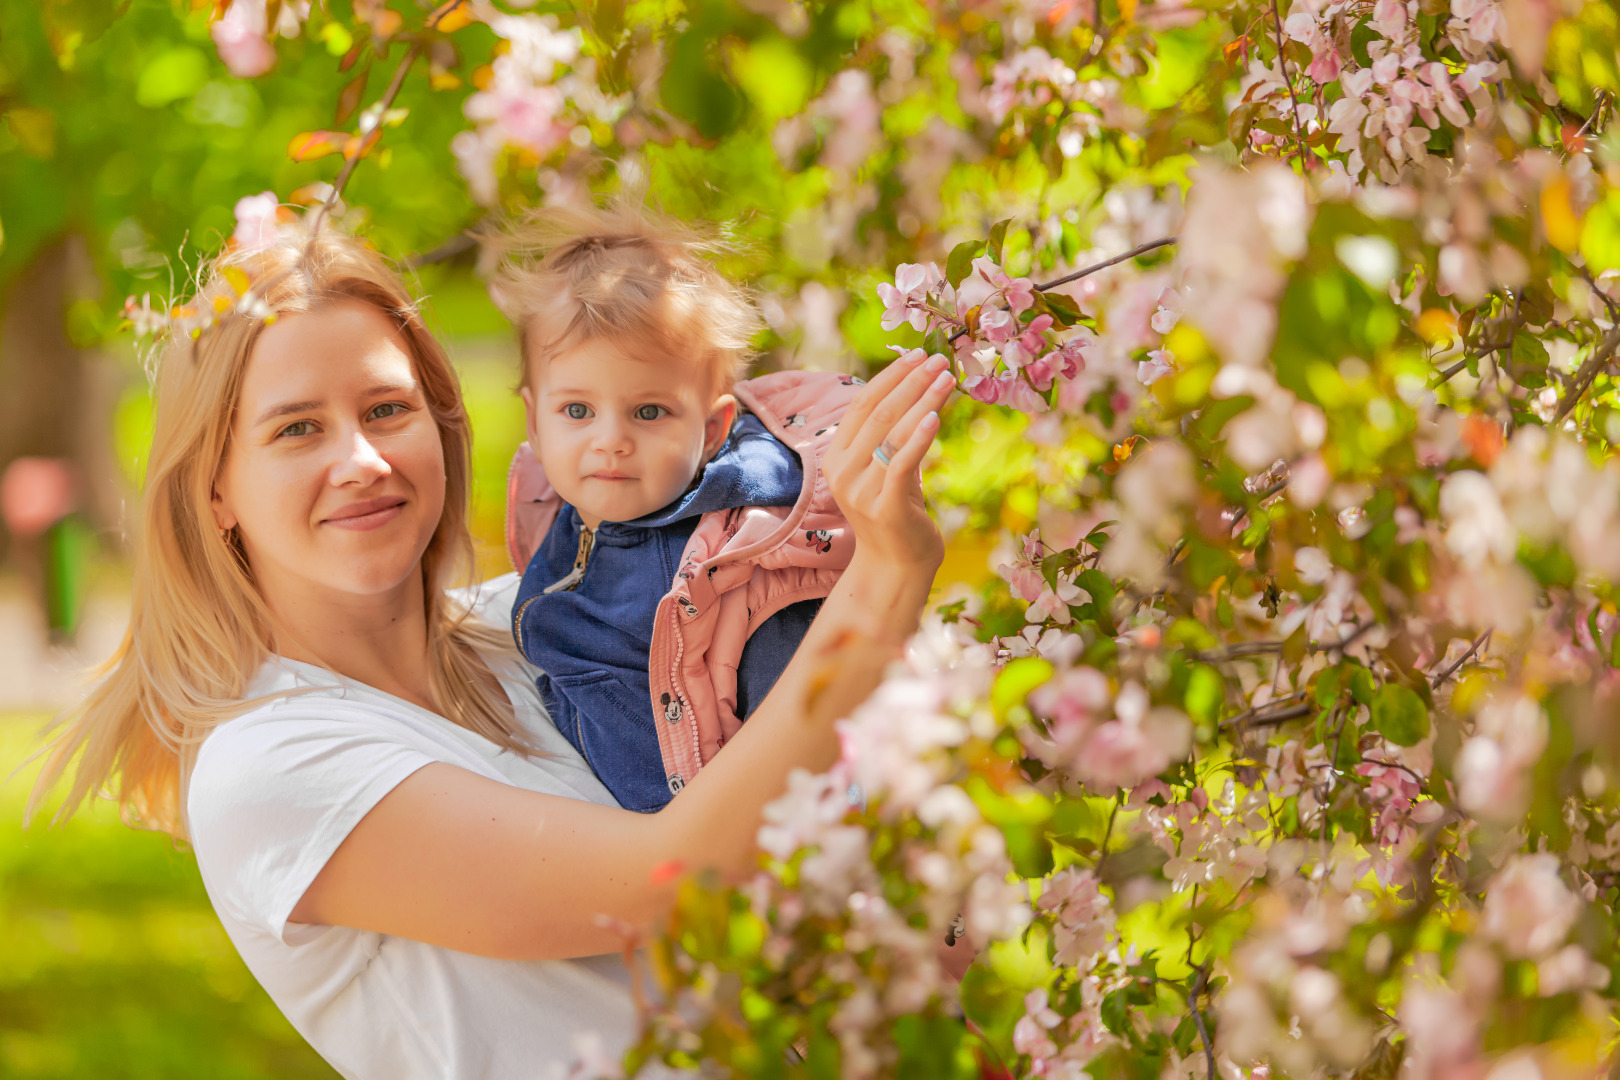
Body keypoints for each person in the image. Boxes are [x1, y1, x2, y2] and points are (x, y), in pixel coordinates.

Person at [28, 225, 951, 1080]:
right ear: (215, 488)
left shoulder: (543, 624)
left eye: (386, 409)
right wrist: (884, 585)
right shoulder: (270, 764)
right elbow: (665, 882)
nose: (361, 459)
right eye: (297, 428)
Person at [492, 203, 868, 812]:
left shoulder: (742, 559)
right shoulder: (561, 519)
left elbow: (806, 730)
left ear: (714, 427)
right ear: (534, 422)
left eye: (648, 412)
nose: (609, 439)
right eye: (578, 411)